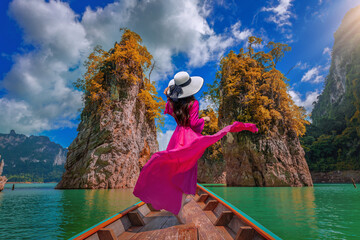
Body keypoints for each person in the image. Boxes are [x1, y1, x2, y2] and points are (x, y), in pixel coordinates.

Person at [133, 71, 258, 224]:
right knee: (187, 172)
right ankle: (179, 206)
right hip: (188, 138)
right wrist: (203, 119)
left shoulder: (172, 103)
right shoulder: (194, 104)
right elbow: (194, 124)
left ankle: (174, 200)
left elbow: (169, 108)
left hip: (177, 136)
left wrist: (168, 95)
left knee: (174, 170)